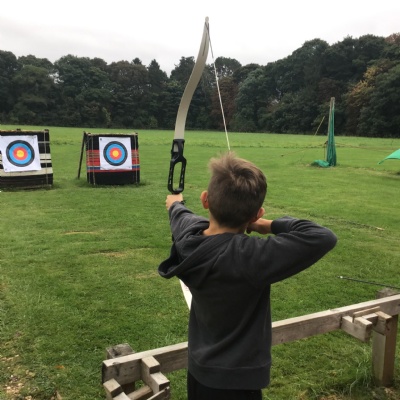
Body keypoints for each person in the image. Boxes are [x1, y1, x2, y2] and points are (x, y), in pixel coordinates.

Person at [158, 152, 337, 400]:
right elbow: (322, 236)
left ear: (205, 199)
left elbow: (180, 215)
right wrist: (267, 225)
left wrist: (175, 203)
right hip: (237, 383)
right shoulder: (249, 256)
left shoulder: (189, 238)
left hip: (199, 373)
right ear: (257, 214)